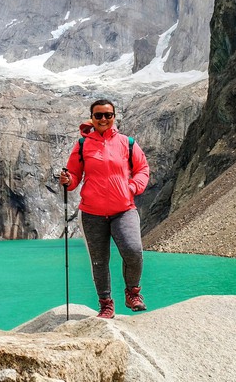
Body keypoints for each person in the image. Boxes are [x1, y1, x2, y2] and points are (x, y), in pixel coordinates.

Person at [59, 98, 150, 319]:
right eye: (98, 115)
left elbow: (142, 169)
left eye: (107, 115)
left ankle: (133, 293)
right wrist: (67, 180)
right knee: (99, 262)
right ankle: (106, 305)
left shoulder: (127, 143)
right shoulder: (82, 145)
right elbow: (73, 178)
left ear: (114, 117)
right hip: (92, 212)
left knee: (133, 250)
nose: (103, 119)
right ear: (91, 117)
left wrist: (132, 187)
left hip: (124, 209)